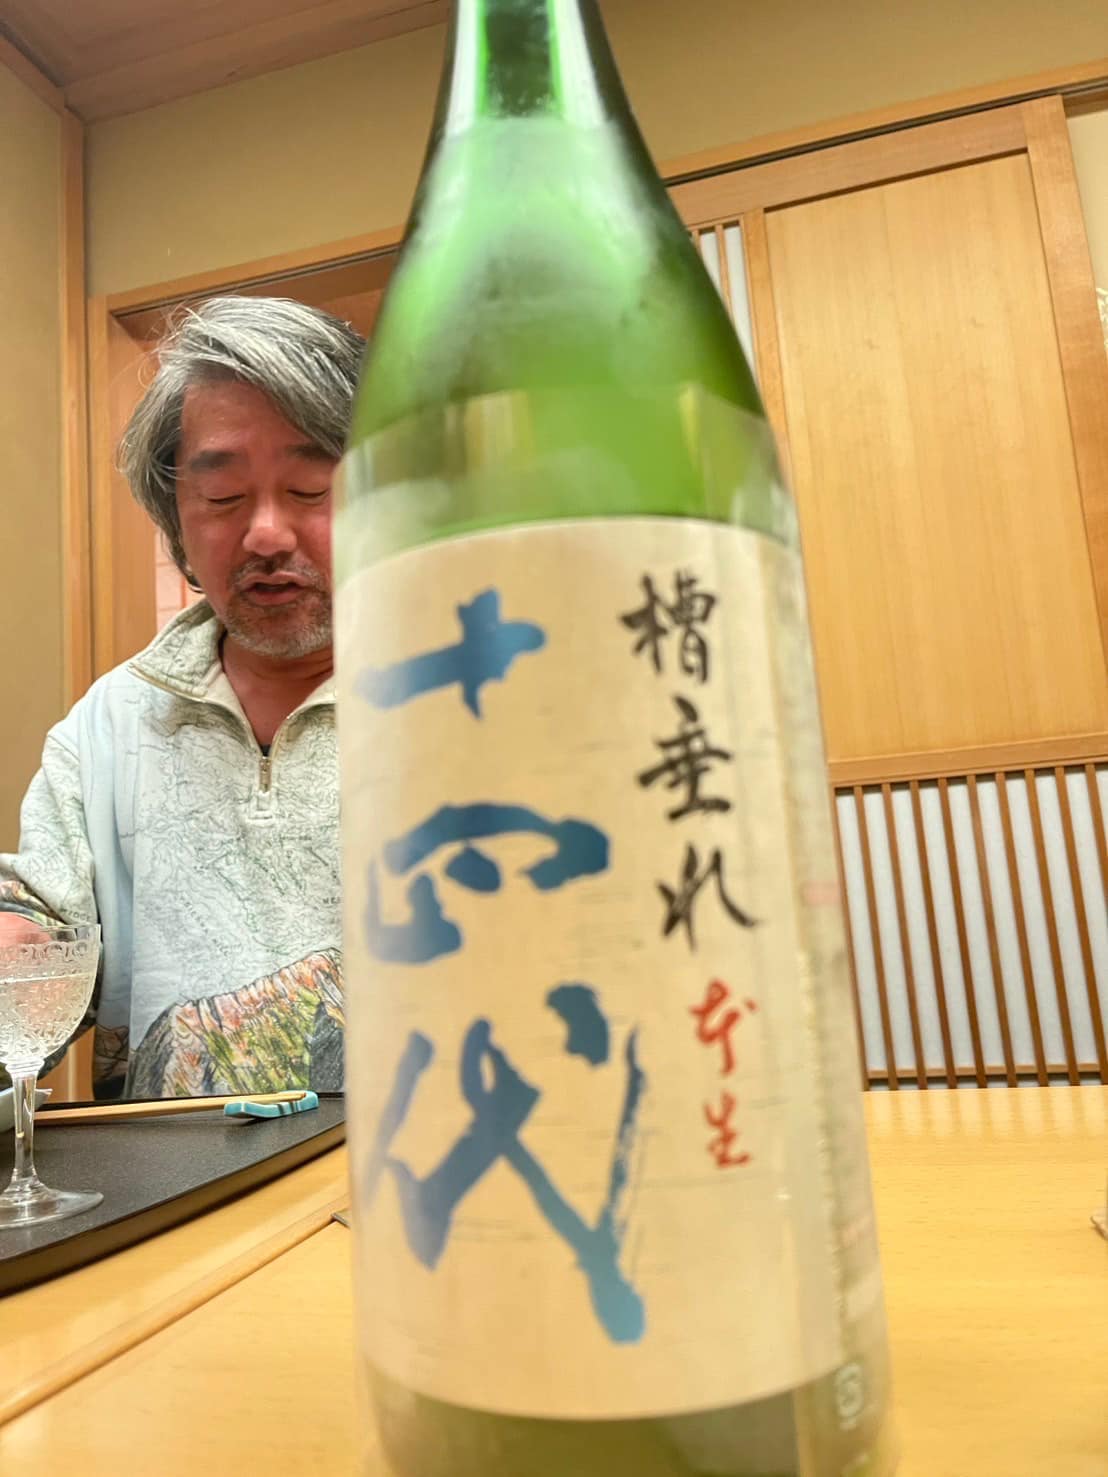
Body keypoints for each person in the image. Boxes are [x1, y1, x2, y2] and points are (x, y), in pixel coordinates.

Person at [0, 296, 365, 1099]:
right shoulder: (109, 726)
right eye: (224, 497)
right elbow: (39, 931)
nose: (266, 534)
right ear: (178, 523)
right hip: (173, 1172)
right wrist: (17, 937)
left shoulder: (470, 697)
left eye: (310, 487)